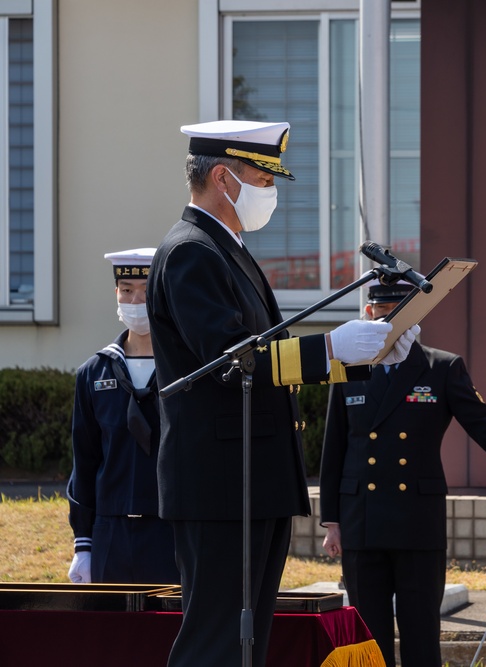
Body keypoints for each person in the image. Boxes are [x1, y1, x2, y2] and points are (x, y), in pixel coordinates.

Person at [146, 119, 416, 667]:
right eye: (263, 180)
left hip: (249, 478)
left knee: (246, 642)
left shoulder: (229, 250)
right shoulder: (191, 252)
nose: (271, 194)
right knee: (216, 638)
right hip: (220, 482)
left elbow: (271, 363)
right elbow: (231, 360)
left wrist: (364, 357)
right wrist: (332, 349)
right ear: (223, 178)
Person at [319, 282, 486, 667]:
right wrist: (332, 521)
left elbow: (485, 424)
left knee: (420, 632)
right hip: (362, 518)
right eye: (383, 317)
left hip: (416, 519)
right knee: (368, 639)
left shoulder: (440, 367)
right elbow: (335, 449)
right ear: (368, 316)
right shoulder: (348, 369)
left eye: (400, 316)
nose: (391, 326)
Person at [66, 248, 180, 585]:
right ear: (115, 294)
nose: (135, 300)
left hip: (172, 529)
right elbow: (84, 461)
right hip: (111, 532)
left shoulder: (186, 370)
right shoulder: (93, 373)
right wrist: (83, 543)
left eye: (146, 291)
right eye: (127, 290)